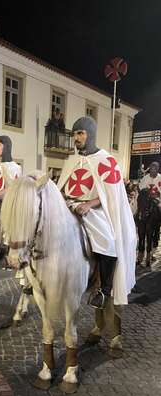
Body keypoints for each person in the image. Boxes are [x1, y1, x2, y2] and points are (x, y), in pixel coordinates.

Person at [57, 116, 137, 308]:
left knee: (108, 241)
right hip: (69, 206)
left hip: (93, 210)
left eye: (80, 133)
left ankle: (104, 289)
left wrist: (89, 204)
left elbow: (112, 194)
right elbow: (63, 186)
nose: (76, 137)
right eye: (74, 133)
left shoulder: (106, 160)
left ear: (90, 135)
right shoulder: (72, 161)